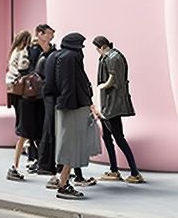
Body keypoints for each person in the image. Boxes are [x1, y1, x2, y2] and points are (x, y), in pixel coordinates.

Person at [92, 36, 144, 183]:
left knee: (118, 138)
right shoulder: (109, 56)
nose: (97, 51)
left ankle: (135, 173)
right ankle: (114, 170)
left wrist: (101, 87)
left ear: (101, 46)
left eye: (97, 48)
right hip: (107, 103)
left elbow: (113, 79)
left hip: (111, 104)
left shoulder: (113, 57)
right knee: (107, 137)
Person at [52, 32, 95, 200]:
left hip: (70, 105)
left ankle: (63, 182)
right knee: (71, 146)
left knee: (69, 145)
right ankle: (63, 185)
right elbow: (68, 83)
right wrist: (70, 104)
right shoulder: (70, 57)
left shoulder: (62, 56)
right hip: (73, 106)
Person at [5, 30, 41, 180]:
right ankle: (18, 165)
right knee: (26, 131)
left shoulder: (13, 51)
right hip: (24, 95)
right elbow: (23, 68)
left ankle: (33, 159)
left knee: (26, 131)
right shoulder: (22, 52)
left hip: (15, 93)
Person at [25, 24, 55, 173]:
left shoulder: (52, 50)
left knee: (45, 126)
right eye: (49, 33)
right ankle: (34, 158)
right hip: (34, 94)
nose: (52, 35)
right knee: (35, 126)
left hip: (46, 94)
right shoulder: (32, 50)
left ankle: (42, 158)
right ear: (40, 34)